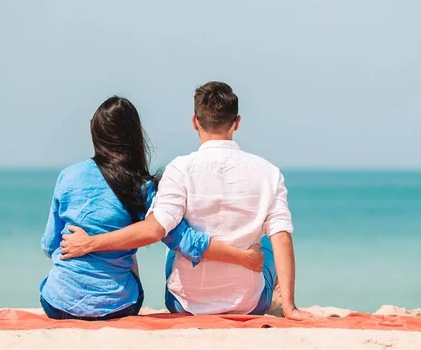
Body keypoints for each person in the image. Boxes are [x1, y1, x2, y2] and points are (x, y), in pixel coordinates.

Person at [61, 83, 316, 320]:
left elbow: (155, 229)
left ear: (195, 122)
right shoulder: (268, 172)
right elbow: (282, 237)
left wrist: (90, 244)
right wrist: (292, 308)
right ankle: (279, 299)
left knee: (174, 242)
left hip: (185, 304)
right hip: (248, 303)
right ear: (236, 122)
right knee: (268, 243)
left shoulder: (180, 169)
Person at [40, 96, 263, 320]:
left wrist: (89, 246)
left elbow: (51, 246)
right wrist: (241, 256)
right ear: (134, 135)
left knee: (114, 248)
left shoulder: (67, 176)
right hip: (117, 306)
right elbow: (182, 239)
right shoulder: (141, 187)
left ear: (95, 131)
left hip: (57, 304)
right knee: (131, 248)